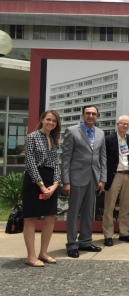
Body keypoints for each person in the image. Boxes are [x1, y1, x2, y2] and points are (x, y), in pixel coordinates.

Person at [61, 105, 107, 258]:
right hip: (76, 178)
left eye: (94, 114)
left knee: (88, 212)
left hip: (94, 178)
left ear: (97, 116)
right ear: (82, 115)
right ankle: (72, 244)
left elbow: (103, 158)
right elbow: (66, 158)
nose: (91, 116)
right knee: (74, 212)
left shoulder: (100, 133)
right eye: (88, 113)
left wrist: (103, 179)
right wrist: (66, 181)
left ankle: (86, 241)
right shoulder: (72, 131)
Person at [21, 110, 61, 267]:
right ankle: (30, 256)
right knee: (31, 218)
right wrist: (42, 186)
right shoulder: (32, 137)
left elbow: (56, 164)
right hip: (34, 181)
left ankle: (43, 252)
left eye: (54, 121)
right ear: (42, 120)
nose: (51, 122)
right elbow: (30, 163)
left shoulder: (52, 139)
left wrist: (56, 184)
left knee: (51, 217)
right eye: (48, 119)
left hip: (50, 181)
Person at [102, 115, 129, 246]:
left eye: (127, 124)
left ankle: (124, 233)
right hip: (114, 175)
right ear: (117, 124)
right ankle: (108, 235)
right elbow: (104, 159)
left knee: (126, 207)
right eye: (123, 123)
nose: (125, 126)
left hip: (128, 175)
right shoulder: (108, 139)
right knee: (109, 207)